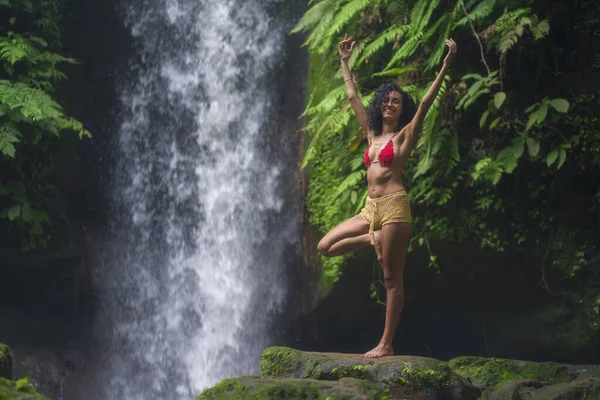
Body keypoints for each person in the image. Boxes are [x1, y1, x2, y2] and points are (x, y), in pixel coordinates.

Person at [317, 33, 457, 358]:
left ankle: (386, 343)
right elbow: (352, 97)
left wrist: (447, 63)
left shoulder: (405, 135)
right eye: (386, 100)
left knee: (392, 278)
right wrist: (343, 61)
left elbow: (425, 102)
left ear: (401, 107)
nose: (390, 104)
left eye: (396, 101)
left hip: (394, 208)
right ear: (380, 105)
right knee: (326, 246)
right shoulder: (372, 133)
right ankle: (372, 238)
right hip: (370, 211)